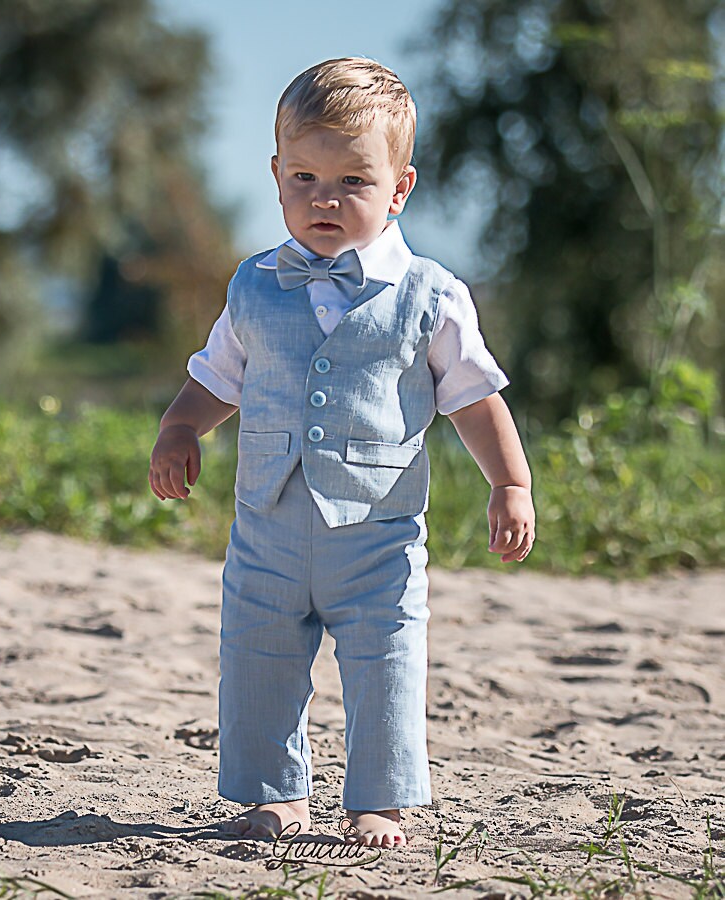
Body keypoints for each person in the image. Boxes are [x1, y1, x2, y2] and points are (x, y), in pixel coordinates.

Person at [148, 57, 536, 849]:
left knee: (385, 659)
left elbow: (474, 396)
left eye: (353, 181)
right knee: (256, 656)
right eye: (304, 177)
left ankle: (378, 801)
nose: (324, 198)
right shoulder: (255, 285)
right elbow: (217, 375)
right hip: (269, 523)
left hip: (378, 531)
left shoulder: (431, 295)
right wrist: (181, 428)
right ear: (276, 175)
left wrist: (511, 482)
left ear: (399, 189)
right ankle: (273, 793)